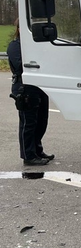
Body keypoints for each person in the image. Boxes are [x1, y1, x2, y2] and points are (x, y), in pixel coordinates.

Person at [7, 19, 53, 166]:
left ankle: (37, 150)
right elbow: (21, 65)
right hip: (24, 87)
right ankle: (28, 155)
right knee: (28, 123)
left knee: (41, 121)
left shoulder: (36, 46)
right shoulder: (15, 46)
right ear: (19, 29)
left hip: (39, 86)